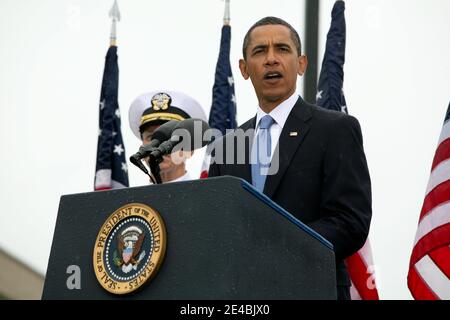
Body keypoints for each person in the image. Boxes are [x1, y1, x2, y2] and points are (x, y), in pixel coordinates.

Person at [208, 17, 372, 300]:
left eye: (282, 49)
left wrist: (276, 246)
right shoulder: (226, 147)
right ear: (244, 69)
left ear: (301, 64)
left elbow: (350, 221)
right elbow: (213, 227)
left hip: (314, 289)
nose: (271, 59)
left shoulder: (335, 129)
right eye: (260, 51)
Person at [129, 90, 207, 183]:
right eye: (151, 137)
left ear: (189, 150)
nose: (160, 144)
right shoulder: (129, 197)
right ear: (142, 147)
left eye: (170, 136)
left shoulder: (208, 196)